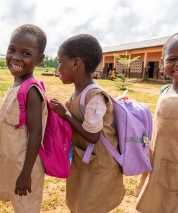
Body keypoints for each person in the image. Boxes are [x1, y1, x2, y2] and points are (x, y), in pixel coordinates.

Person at [50, 34, 125, 213]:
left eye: (60, 62)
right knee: (79, 203)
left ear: (76, 63)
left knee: (90, 207)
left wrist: (66, 114)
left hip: (100, 168)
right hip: (84, 162)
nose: (57, 68)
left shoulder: (95, 96)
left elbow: (93, 136)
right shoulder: (78, 91)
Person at [0, 24, 48, 213]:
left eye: (25, 53)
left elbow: (36, 134)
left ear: (39, 59)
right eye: (11, 50)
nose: (15, 57)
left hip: (26, 168)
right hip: (16, 164)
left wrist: (25, 174)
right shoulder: (16, 86)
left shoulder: (31, 91)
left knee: (26, 208)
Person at [136, 31, 178, 213]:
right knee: (154, 204)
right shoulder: (164, 90)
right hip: (157, 166)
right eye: (172, 59)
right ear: (162, 64)